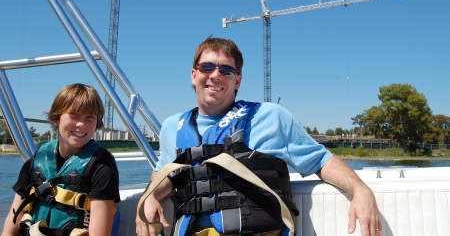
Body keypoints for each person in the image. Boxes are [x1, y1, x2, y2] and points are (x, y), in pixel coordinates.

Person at [135, 37, 381, 236]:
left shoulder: (270, 116)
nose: (215, 75)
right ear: (194, 74)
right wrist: (148, 197)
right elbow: (164, 173)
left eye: (226, 70)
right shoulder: (172, 127)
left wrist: (360, 190)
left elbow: (320, 160)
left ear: (238, 80)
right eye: (207, 67)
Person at [1, 83, 120, 236]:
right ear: (57, 118)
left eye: (90, 117)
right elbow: (13, 221)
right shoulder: (36, 162)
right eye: (74, 115)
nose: (81, 124)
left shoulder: (102, 167)